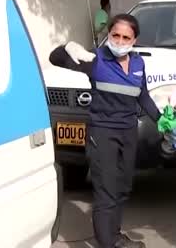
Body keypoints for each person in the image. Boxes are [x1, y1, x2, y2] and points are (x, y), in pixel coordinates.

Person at [49, 14, 160, 248]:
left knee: (123, 187)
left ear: (134, 40)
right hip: (103, 133)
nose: (120, 41)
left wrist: (162, 122)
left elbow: (143, 96)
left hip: (128, 132)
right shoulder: (95, 59)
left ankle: (115, 235)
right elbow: (55, 58)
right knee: (106, 190)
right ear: (108, 35)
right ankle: (107, 243)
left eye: (125, 37)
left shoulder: (138, 63)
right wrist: (69, 47)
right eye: (115, 35)